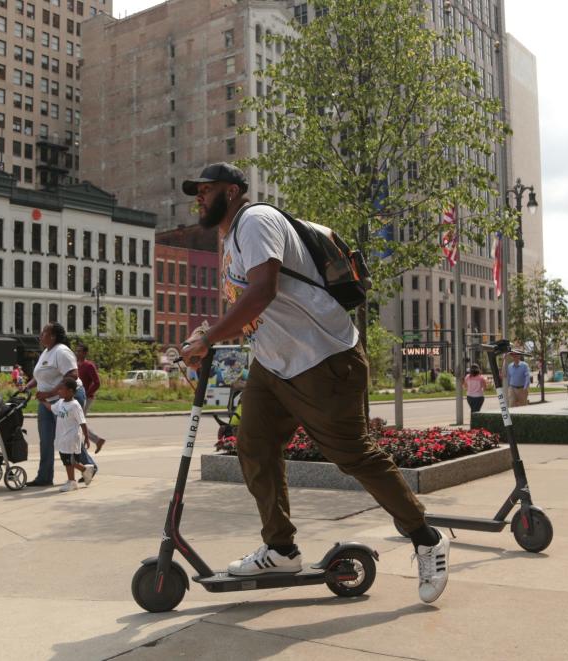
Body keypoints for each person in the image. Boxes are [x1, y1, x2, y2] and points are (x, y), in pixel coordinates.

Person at [179, 162, 450, 604]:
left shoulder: (255, 221)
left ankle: (427, 537)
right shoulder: (228, 240)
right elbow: (253, 308)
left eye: (206, 191)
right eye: (197, 192)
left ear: (231, 192)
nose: (199, 199)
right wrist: (207, 335)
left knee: (353, 456)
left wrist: (211, 336)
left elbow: (262, 291)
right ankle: (281, 548)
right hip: (274, 365)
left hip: (323, 359)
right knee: (253, 446)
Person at [21, 323, 98, 487]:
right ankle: (44, 476)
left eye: (44, 332)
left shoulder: (61, 351)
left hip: (66, 398)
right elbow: (41, 376)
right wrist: (27, 386)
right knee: (46, 439)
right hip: (46, 401)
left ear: (53, 336)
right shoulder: (46, 352)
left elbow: (72, 374)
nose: (40, 335)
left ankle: (90, 466)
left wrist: (50, 393)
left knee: (67, 437)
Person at [42, 376, 95, 492]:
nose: (59, 391)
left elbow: (82, 422)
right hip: (62, 436)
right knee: (67, 459)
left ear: (70, 391)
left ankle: (72, 481)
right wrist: (43, 401)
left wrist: (86, 438)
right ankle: (85, 470)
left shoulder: (75, 405)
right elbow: (52, 408)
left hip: (71, 437)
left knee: (70, 460)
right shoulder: (60, 402)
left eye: (61, 389)